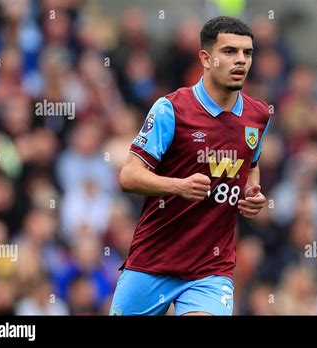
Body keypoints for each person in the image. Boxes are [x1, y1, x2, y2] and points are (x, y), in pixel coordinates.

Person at [109, 16, 271, 316]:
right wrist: (177, 185)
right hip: (153, 260)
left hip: (211, 268)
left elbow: (251, 164)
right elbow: (128, 175)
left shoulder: (258, 115)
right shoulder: (172, 109)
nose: (241, 61)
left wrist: (252, 193)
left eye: (247, 53)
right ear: (206, 59)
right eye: (230, 51)